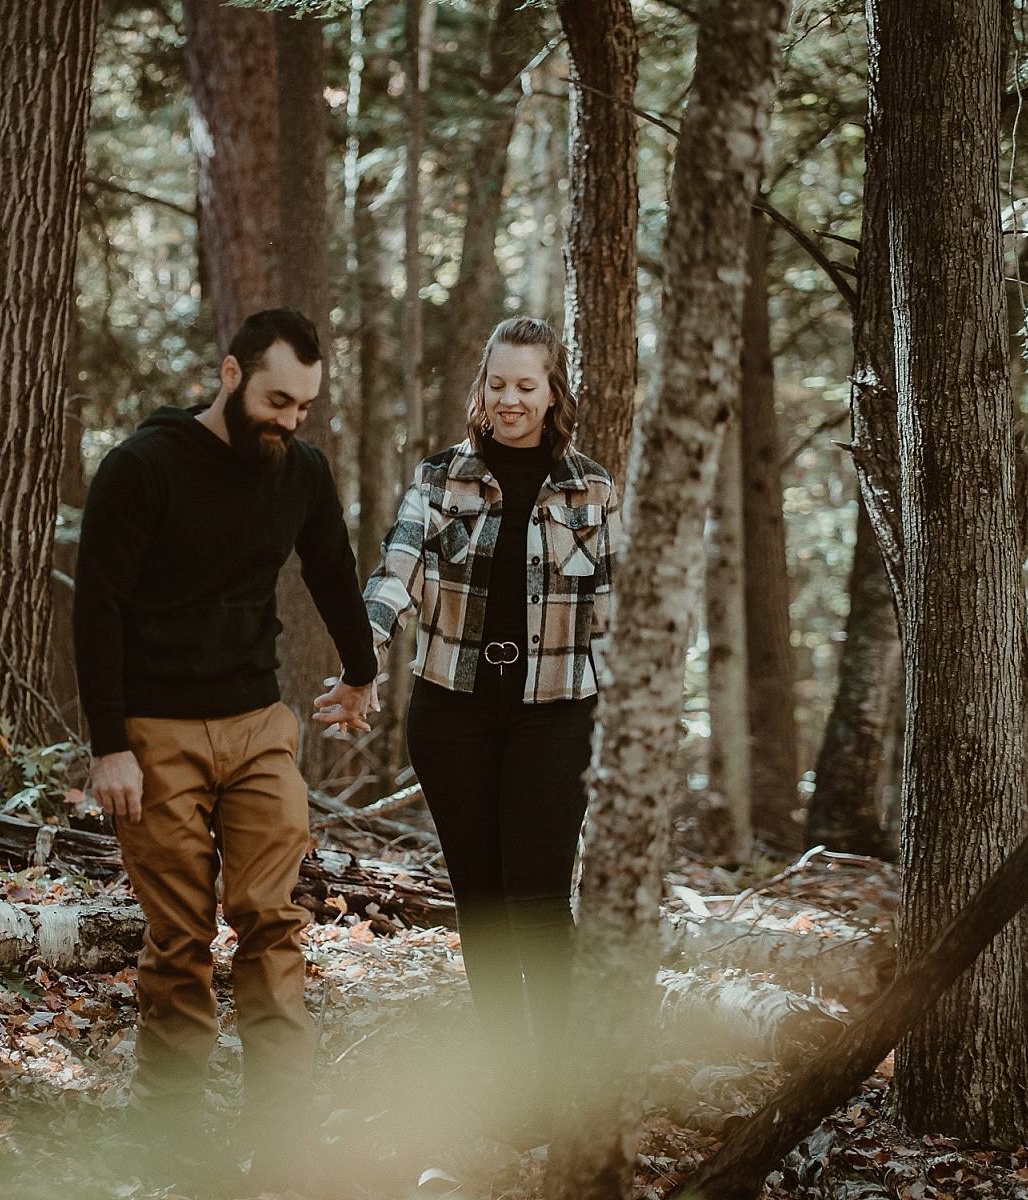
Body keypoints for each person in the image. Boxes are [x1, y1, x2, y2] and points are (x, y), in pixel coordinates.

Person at [73, 308, 378, 1192]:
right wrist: (109, 746)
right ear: (231, 374)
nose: (291, 419)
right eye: (280, 399)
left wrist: (360, 672)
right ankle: (169, 1143)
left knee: (272, 922)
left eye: (307, 406)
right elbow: (98, 607)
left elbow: (330, 568)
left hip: (256, 727)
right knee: (176, 943)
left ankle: (284, 1146)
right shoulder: (141, 468)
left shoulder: (300, 471)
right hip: (155, 737)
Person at [345, 315, 617, 1137]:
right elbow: (394, 572)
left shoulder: (592, 491)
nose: (508, 399)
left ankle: (561, 1085)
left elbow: (619, 611)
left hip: (556, 717)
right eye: (497, 383)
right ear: (482, 387)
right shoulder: (441, 481)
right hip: (452, 716)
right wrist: (365, 659)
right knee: (483, 901)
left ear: (552, 393)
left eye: (525, 386)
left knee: (538, 897)